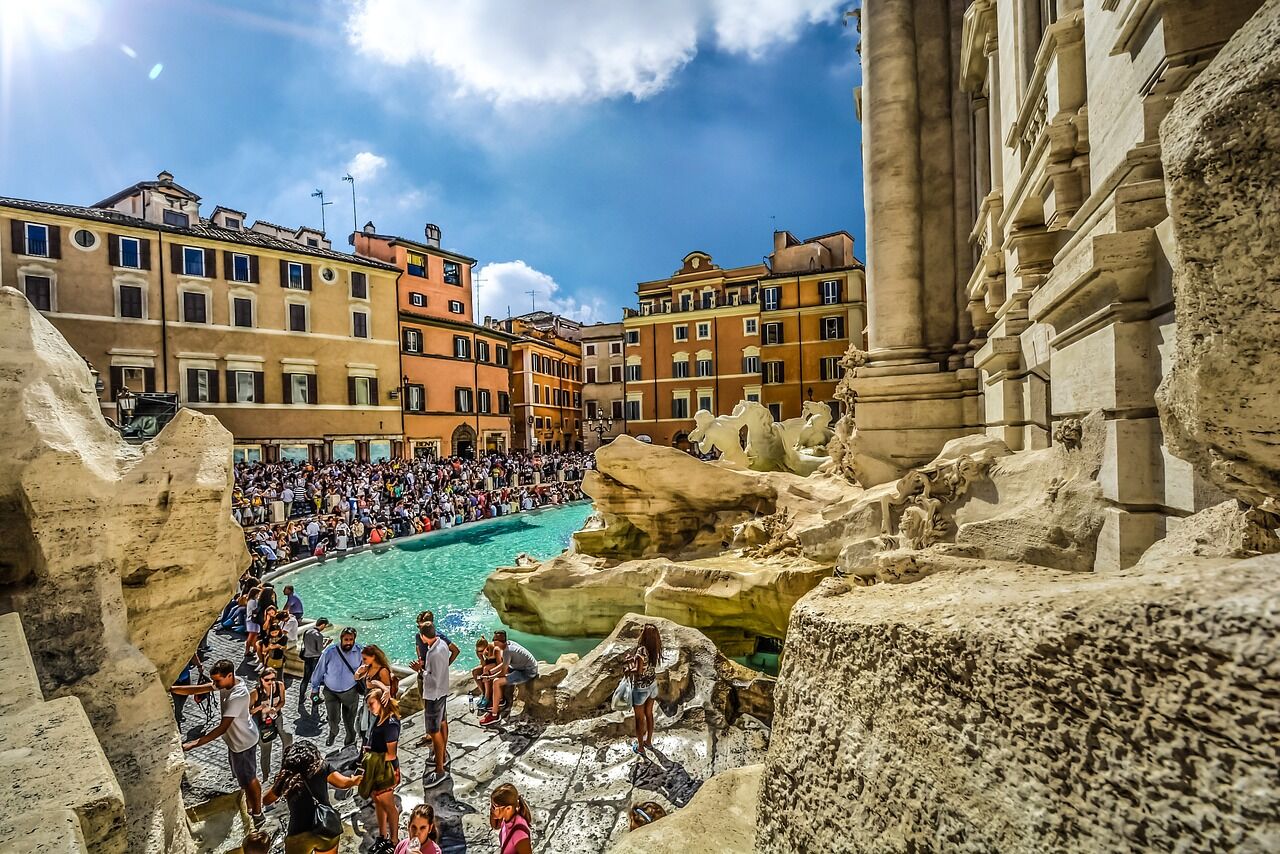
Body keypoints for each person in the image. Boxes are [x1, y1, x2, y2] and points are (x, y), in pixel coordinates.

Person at [174, 658, 265, 828]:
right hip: (237, 742)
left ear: (229, 675)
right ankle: (250, 804)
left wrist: (193, 744)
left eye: (217, 680)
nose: (214, 684)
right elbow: (200, 688)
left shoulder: (238, 696)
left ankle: (258, 813)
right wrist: (173, 689)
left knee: (250, 778)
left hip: (243, 743)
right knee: (243, 777)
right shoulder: (226, 683)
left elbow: (222, 728)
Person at [263, 740, 362, 854]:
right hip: (326, 826)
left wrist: (281, 779)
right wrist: (354, 780)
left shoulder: (287, 776)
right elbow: (343, 784)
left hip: (299, 833)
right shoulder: (323, 766)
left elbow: (266, 800)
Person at [358, 681, 401, 853]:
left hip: (386, 771)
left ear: (382, 702)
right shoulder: (380, 719)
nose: (369, 708)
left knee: (388, 805)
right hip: (378, 770)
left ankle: (394, 839)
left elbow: (391, 754)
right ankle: (382, 836)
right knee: (378, 802)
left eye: (371, 704)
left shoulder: (390, 724)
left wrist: (370, 756)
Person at [410, 619, 452, 787]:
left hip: (433, 695)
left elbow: (432, 678)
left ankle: (440, 769)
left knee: (434, 731)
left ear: (422, 636)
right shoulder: (442, 644)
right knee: (442, 723)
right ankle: (442, 756)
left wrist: (419, 670)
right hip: (442, 692)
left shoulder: (433, 654)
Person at [309, 626, 362, 747]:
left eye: (351, 640)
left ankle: (349, 743)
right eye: (346, 639)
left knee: (350, 720)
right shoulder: (330, 652)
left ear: (354, 640)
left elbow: (365, 669)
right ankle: (333, 732)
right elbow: (319, 671)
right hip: (331, 692)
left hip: (350, 691)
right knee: (333, 718)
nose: (348, 642)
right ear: (341, 639)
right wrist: (314, 689)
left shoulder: (360, 652)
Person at [479, 631, 538, 726]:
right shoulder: (508, 644)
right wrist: (490, 672)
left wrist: (489, 677)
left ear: (499, 642)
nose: (493, 641)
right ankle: (499, 701)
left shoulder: (507, 651)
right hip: (520, 667)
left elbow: (503, 672)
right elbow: (504, 664)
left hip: (527, 672)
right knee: (493, 676)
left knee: (496, 682)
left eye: (494, 640)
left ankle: (494, 715)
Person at [627, 624, 662, 759]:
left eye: (643, 630)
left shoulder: (641, 650)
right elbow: (647, 665)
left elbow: (639, 671)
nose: (641, 631)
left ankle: (640, 747)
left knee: (639, 718)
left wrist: (629, 668)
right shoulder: (655, 648)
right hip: (652, 685)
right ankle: (648, 742)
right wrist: (634, 660)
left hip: (641, 688)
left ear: (645, 635)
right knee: (649, 714)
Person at [251, 668, 293, 780]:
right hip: (262, 721)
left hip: (276, 716)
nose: (271, 682)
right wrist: (260, 708)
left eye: (273, 679)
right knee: (266, 747)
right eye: (267, 680)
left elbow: (282, 701)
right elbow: (248, 711)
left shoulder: (279, 686)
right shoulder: (255, 692)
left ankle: (286, 767)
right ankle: (266, 775)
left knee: (288, 735)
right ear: (261, 680)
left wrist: (276, 708)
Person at [354, 644, 396, 747]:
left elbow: (387, 690)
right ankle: (363, 754)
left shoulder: (383, 671)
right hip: (367, 703)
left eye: (365, 658)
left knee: (372, 731)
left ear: (373, 657)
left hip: (377, 706)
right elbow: (356, 678)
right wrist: (359, 671)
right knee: (364, 730)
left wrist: (376, 684)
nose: (363, 661)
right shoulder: (368, 668)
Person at [489, 782, 533, 854]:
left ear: (508, 808)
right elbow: (495, 826)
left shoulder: (519, 833)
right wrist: (494, 809)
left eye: (494, 807)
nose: (491, 809)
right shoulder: (507, 818)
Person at [298, 617, 330, 713]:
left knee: (305, 679)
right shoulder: (319, 635)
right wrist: (327, 643)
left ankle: (301, 697)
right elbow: (320, 650)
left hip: (307, 658)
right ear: (323, 625)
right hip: (315, 659)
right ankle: (315, 700)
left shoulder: (307, 632)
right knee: (316, 681)